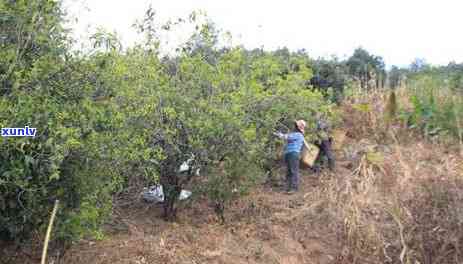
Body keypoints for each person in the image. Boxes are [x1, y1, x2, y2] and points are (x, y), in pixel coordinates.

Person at [274, 120, 306, 193]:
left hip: (294, 154)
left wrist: (279, 134)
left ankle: (294, 188)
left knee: (293, 171)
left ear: (297, 128)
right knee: (288, 171)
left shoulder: (298, 135)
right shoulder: (295, 134)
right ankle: (288, 188)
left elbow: (287, 137)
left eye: (295, 125)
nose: (294, 127)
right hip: (289, 153)